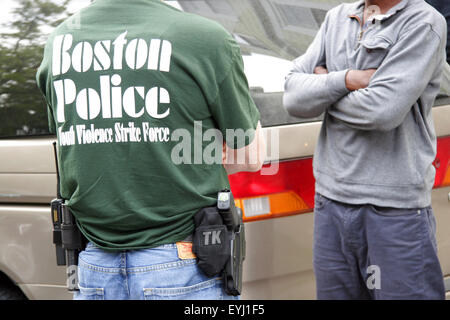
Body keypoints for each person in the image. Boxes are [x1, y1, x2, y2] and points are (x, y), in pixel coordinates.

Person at [36, 0, 264, 300]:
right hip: (183, 265)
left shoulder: (60, 41)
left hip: (94, 269)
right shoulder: (204, 37)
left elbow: (77, 141)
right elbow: (252, 155)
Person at [283, 0, 447, 299]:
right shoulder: (337, 17)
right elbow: (293, 97)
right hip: (330, 203)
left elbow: (381, 111)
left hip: (394, 211)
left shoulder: (423, 22)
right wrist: (346, 79)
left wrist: (322, 87)